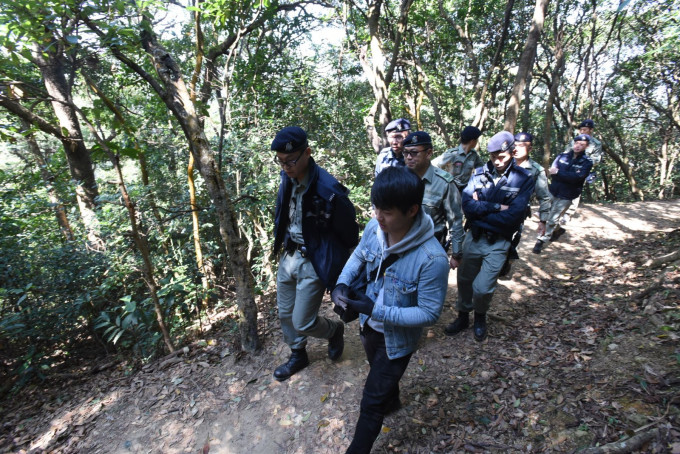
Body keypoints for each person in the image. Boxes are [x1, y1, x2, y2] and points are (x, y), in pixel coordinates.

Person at [331, 167, 449, 454]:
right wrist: (342, 283)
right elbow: (360, 254)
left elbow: (430, 313)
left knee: (371, 401)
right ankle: (392, 398)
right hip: (368, 326)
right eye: (375, 208)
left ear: (412, 210)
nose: (377, 216)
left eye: (386, 211)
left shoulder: (433, 259)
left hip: (397, 340)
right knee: (378, 372)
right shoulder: (376, 228)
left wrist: (378, 310)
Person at [272, 126, 359, 381]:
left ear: (307, 153)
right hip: (289, 254)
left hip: (314, 258)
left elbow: (348, 231)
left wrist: (338, 264)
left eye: (291, 160)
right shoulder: (286, 178)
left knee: (303, 320)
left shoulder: (328, 189)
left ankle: (334, 330)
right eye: (281, 162)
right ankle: (298, 354)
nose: (286, 166)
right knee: (285, 312)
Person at [444, 131, 534, 341]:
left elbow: (513, 217)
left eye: (501, 156)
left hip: (499, 241)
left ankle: (481, 317)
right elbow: (468, 207)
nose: (497, 161)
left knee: (483, 288)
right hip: (473, 237)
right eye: (493, 156)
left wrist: (481, 209)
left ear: (512, 152)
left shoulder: (523, 179)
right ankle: (463, 316)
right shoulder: (478, 173)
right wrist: (496, 207)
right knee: (465, 280)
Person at [403, 130, 465, 269]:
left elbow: (455, 220)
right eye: (405, 153)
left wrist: (456, 254)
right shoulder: (398, 179)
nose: (408, 157)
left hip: (431, 249)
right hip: (402, 247)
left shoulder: (444, 183)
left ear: (429, 153)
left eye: (414, 153)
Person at [499, 132, 551, 276]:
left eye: (522, 146)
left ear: (530, 149)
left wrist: (543, 220)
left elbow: (544, 197)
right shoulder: (502, 162)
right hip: (496, 208)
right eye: (514, 145)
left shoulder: (536, 170)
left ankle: (506, 261)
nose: (517, 149)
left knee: (511, 241)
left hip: (517, 213)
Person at [532, 134, 594, 254]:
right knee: (544, 214)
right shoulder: (562, 156)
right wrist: (565, 175)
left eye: (582, 145)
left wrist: (560, 173)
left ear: (586, 147)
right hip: (553, 190)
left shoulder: (586, 162)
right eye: (577, 143)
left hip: (568, 194)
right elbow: (552, 171)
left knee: (553, 218)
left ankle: (541, 240)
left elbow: (578, 177)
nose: (578, 146)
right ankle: (558, 230)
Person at [560, 119, 603, 225]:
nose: (582, 131)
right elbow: (566, 153)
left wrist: (584, 165)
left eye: (585, 129)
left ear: (591, 130)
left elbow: (596, 159)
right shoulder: (574, 141)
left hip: (582, 169)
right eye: (581, 130)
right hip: (569, 167)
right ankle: (558, 209)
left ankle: (568, 213)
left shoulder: (596, 143)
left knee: (575, 189)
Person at [432, 125, 484, 192]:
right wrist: (445, 177)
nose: (477, 142)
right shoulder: (452, 154)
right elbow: (433, 165)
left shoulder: (473, 154)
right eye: (476, 140)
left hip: (466, 190)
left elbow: (481, 168)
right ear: (472, 141)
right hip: (451, 190)